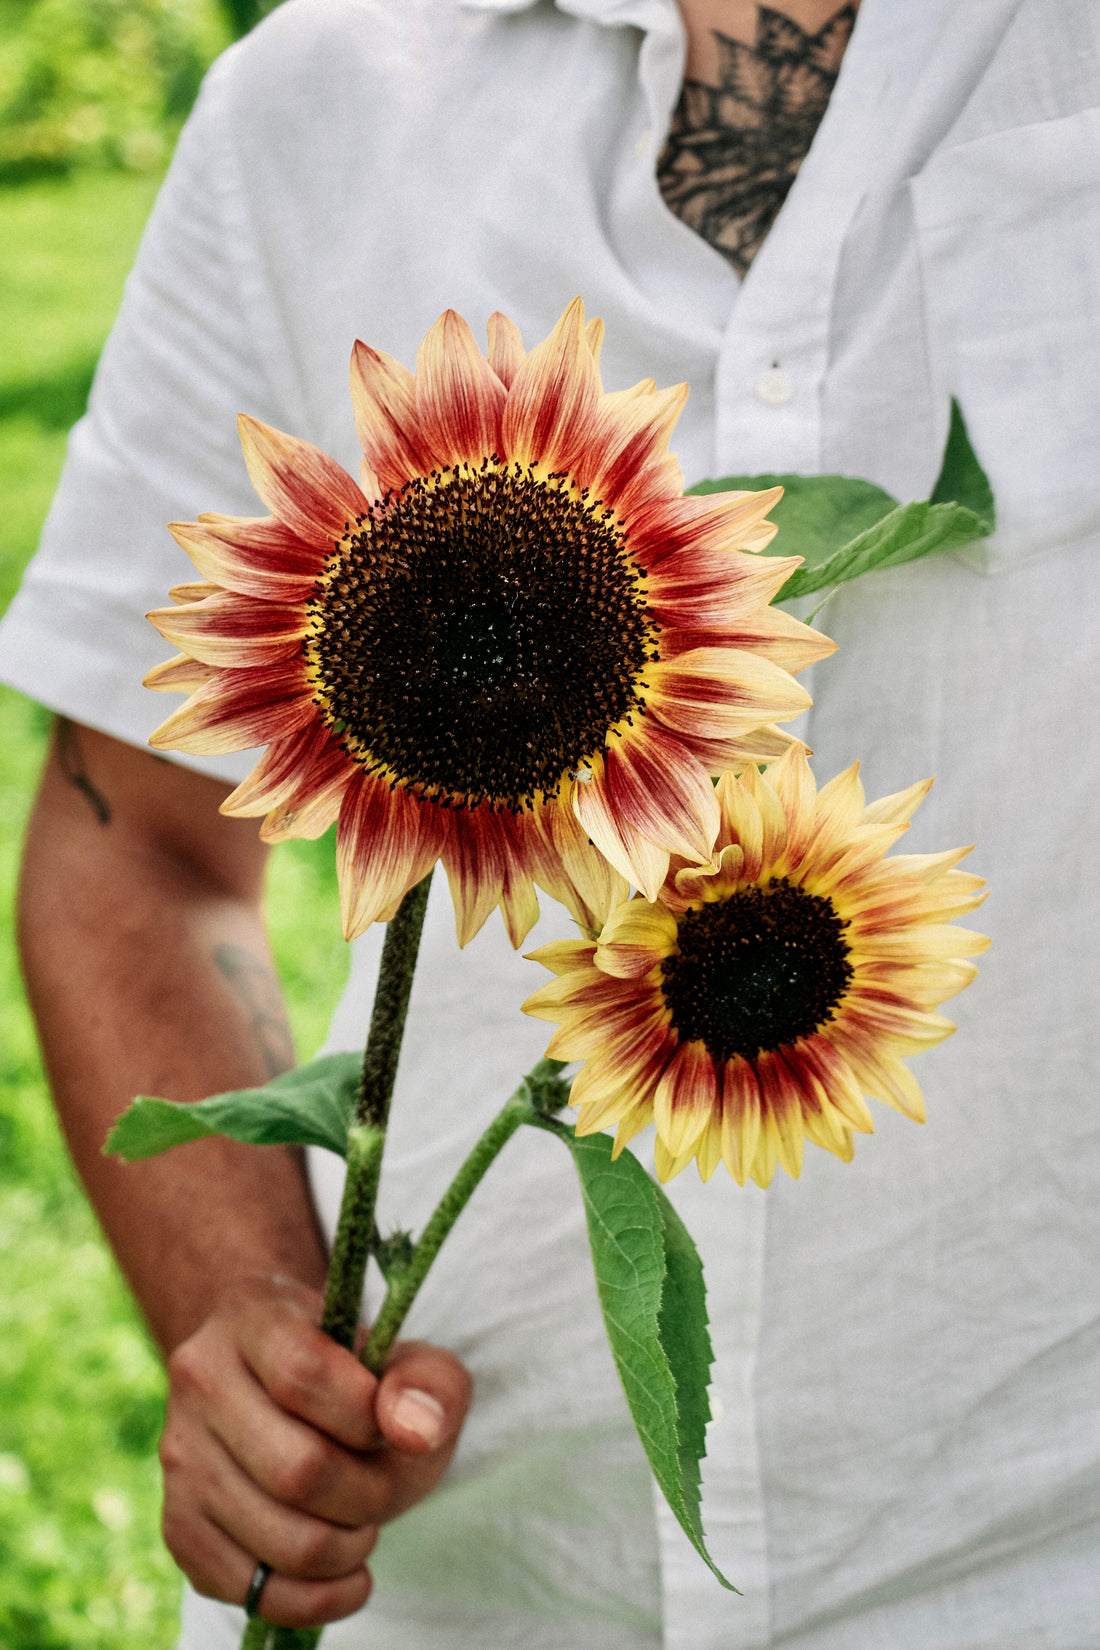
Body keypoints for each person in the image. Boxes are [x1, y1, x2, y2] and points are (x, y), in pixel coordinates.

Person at [4, 0, 1099, 1645]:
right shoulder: (323, 101)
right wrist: (248, 1322)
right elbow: (131, 842)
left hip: (1029, 1561)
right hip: (459, 1584)